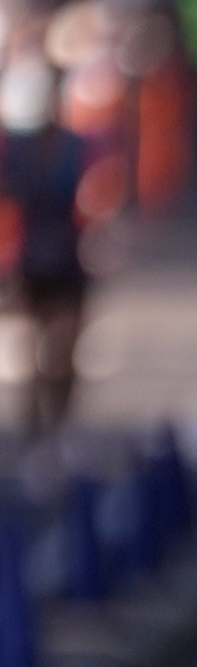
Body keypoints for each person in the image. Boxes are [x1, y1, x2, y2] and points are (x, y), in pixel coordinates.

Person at [0, 51, 95, 440]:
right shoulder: (12, 151)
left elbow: (98, 198)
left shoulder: (77, 147)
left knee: (63, 349)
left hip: (68, 258)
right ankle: (35, 426)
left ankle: (59, 422)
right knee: (29, 351)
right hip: (27, 261)